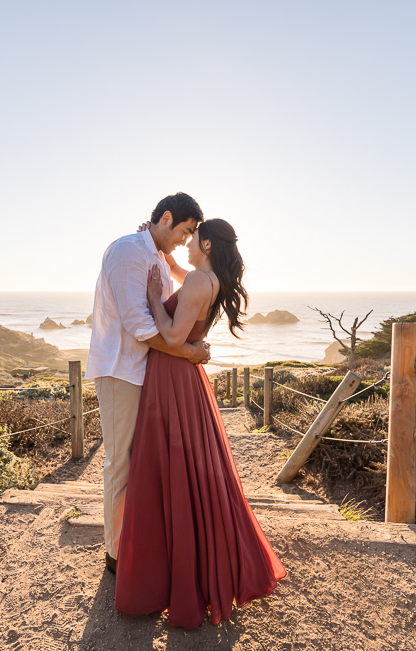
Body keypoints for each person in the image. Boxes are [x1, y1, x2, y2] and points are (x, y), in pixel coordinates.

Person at [114, 218, 286, 629]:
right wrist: (163, 252)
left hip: (171, 378)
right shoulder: (207, 280)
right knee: (191, 472)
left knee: (168, 469)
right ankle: (194, 567)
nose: (186, 245)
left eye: (191, 240)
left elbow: (173, 338)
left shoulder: (196, 283)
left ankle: (169, 577)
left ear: (206, 243)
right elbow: (183, 278)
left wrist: (155, 298)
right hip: (182, 379)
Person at [86, 192, 211, 577]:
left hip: (148, 372)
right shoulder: (128, 252)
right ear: (168, 218)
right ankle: (116, 554)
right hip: (121, 370)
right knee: (120, 462)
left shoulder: (156, 255)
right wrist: (188, 353)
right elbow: (139, 326)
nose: (185, 240)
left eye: (192, 235)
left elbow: (169, 311)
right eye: (185, 231)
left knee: (147, 463)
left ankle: (143, 544)